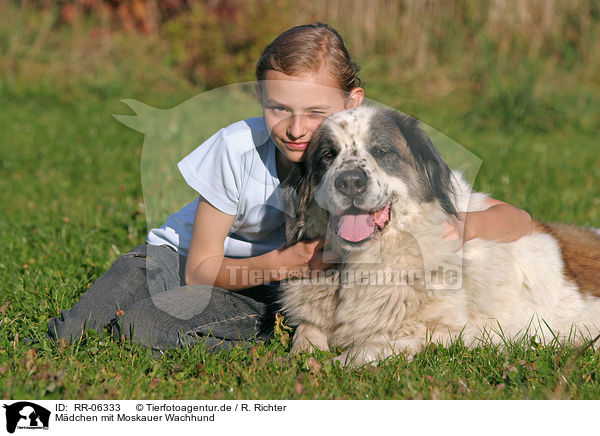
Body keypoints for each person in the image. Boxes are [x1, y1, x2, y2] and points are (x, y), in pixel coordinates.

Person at [47, 22, 533, 353]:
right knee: (79, 325)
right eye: (278, 108)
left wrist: (467, 223)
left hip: (260, 290)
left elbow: (519, 220)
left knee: (141, 325)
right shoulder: (236, 149)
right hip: (183, 260)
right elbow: (200, 268)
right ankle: (45, 372)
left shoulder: (385, 153)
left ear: (352, 101)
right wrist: (284, 262)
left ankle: (178, 327)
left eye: (317, 112)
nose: (297, 129)